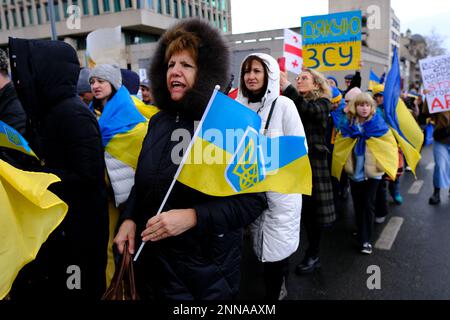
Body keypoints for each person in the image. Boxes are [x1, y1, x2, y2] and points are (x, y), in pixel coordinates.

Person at [113, 18, 267, 300]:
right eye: (171, 64)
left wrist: (193, 217)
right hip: (153, 270)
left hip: (204, 278)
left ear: (205, 72)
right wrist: (129, 218)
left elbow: (252, 201)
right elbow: (144, 184)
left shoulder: (228, 124)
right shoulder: (158, 122)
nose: (175, 71)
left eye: (186, 65)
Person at [9, 38, 109, 299]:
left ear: (47, 72)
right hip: (57, 233)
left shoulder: (73, 114)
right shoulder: (46, 112)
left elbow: (87, 177)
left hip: (76, 239)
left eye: (30, 70)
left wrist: (32, 178)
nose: (22, 79)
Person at [236, 53, 306, 300]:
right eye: (247, 71)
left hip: (280, 193)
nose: (251, 76)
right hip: (250, 189)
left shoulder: (284, 105)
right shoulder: (239, 107)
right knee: (257, 247)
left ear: (269, 74)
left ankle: (275, 292)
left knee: (276, 251)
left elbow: (300, 148)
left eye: (257, 71)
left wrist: (263, 157)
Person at [280, 67, 335, 274]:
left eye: (304, 78)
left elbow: (308, 110)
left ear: (316, 84)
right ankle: (289, 251)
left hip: (313, 165)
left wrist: (286, 85)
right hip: (293, 163)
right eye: (297, 78)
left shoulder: (322, 103)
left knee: (313, 214)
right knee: (294, 210)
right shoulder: (292, 103)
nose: (299, 81)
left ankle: (313, 254)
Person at [335, 93, 397, 254]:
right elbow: (341, 145)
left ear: (372, 108)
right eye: (361, 105)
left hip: (373, 173)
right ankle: (362, 228)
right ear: (355, 107)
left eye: (367, 105)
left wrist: (384, 166)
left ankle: (365, 240)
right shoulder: (348, 124)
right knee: (358, 203)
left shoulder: (379, 125)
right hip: (355, 172)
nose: (364, 108)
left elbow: (389, 146)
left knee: (368, 204)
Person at [428, 111, 450, 205]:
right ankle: (436, 193)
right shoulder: (439, 96)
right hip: (441, 138)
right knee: (440, 165)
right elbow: (426, 113)